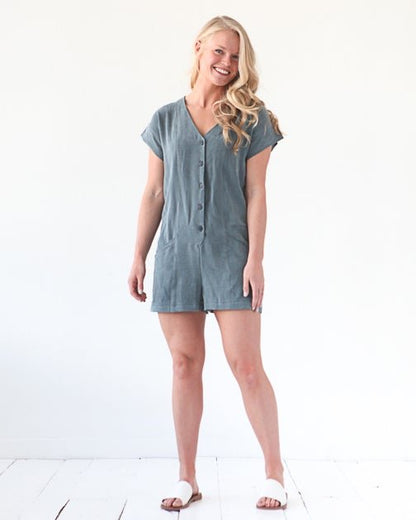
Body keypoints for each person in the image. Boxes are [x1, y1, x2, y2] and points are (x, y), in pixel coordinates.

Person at [128, 15, 287, 511]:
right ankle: (187, 477)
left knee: (247, 366)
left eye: (236, 57)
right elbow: (154, 193)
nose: (227, 63)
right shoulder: (164, 120)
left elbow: (257, 193)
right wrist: (138, 255)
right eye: (219, 51)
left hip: (230, 256)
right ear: (198, 48)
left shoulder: (252, 118)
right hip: (176, 255)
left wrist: (255, 259)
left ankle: (275, 473)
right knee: (183, 365)